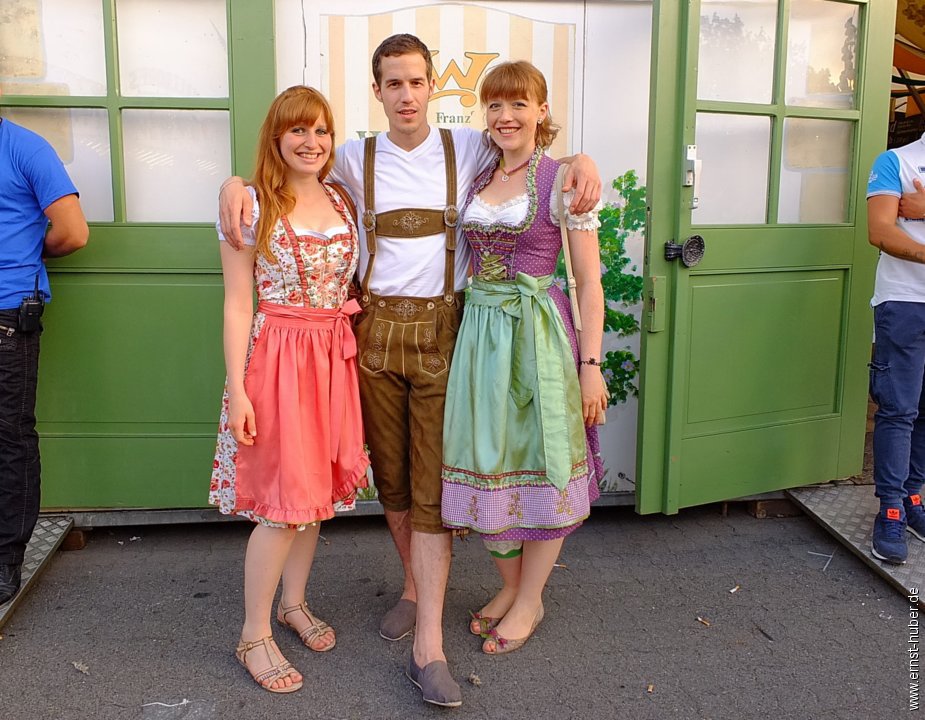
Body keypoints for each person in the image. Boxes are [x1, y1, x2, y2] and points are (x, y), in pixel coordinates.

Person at [219, 34, 601, 708]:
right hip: (368, 333)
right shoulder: (350, 157)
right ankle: (413, 587)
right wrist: (231, 184)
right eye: (392, 83)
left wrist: (582, 159)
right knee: (392, 479)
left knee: (430, 483)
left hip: (445, 332)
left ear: (432, 88)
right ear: (377, 91)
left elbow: (531, 150)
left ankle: (429, 644)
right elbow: (285, 172)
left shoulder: (469, 147)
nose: (405, 95)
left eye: (416, 82)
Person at [439, 61, 607, 654]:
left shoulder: (563, 181)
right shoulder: (477, 171)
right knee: (488, 460)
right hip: (480, 338)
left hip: (539, 337)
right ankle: (510, 586)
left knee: (542, 459)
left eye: (518, 104)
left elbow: (589, 281)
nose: (505, 116)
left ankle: (531, 597)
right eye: (494, 105)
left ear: (541, 111)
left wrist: (591, 366)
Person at [208, 86, 369, 693]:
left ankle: (293, 603)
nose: (311, 142)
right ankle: (253, 634)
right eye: (298, 130)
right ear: (276, 136)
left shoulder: (343, 197)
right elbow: (237, 301)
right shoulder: (251, 203)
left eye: (321, 131)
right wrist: (238, 387)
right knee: (282, 505)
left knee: (315, 496)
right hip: (277, 359)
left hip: (332, 357)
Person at [0, 117, 88, 606]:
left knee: (8, 436)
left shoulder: (24, 148)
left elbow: (72, 232)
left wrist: (25, 252)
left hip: (7, 312)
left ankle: (5, 559)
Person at [866, 131, 925, 565]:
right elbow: (880, 230)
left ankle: (913, 499)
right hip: (904, 301)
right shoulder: (896, 161)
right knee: (899, 408)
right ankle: (890, 509)